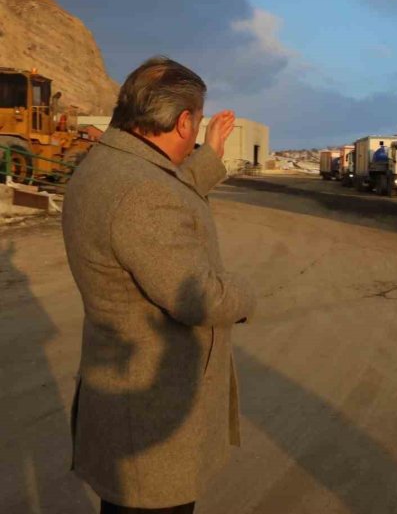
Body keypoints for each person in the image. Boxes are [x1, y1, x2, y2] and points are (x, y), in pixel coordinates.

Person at [61, 56, 256, 514]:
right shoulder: (141, 194)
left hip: (123, 395)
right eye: (197, 123)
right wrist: (245, 292)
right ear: (183, 121)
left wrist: (209, 153)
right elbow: (198, 298)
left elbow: (164, 188)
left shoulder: (110, 163)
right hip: (151, 417)